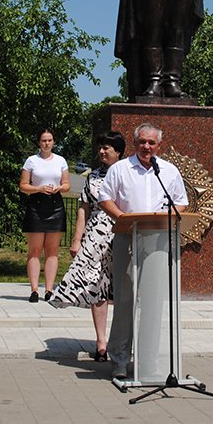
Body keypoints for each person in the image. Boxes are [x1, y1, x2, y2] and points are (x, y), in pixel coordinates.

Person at [98, 123, 188, 382]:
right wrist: (123, 218)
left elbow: (180, 201)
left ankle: (147, 361)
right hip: (127, 236)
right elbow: (105, 197)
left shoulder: (168, 171)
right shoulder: (120, 169)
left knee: (152, 303)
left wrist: (168, 216)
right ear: (134, 143)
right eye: (142, 142)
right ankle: (119, 360)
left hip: (158, 240)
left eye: (152, 143)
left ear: (159, 145)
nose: (146, 147)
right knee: (125, 300)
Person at [49, 131, 125, 361]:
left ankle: (122, 342)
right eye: (100, 147)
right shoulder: (93, 177)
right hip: (96, 235)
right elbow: (84, 208)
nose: (102, 151)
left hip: (122, 232)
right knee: (97, 286)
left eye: (107, 148)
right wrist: (77, 239)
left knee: (123, 288)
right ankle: (101, 343)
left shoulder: (128, 174)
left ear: (119, 152)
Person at [19, 129, 69, 302]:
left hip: (55, 205)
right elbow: (23, 185)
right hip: (36, 205)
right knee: (34, 250)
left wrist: (59, 188)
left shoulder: (61, 160)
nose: (46, 143)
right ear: (39, 143)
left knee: (52, 250)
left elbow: (67, 184)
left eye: (49, 140)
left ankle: (48, 289)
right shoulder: (31, 161)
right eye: (43, 140)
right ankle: (34, 290)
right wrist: (39, 188)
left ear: (54, 142)